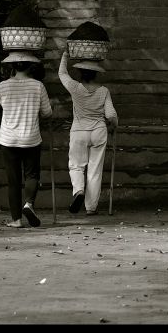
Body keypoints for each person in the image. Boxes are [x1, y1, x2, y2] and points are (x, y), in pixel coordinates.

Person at [0, 51, 52, 228]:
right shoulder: (38, 86)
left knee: (13, 180)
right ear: (31, 66)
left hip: (8, 139)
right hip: (31, 138)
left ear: (12, 66)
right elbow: (47, 113)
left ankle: (16, 220)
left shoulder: (3, 86)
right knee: (32, 174)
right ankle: (29, 204)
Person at [58, 50, 118, 216]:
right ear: (96, 74)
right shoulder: (103, 91)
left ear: (80, 73)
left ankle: (78, 190)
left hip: (79, 131)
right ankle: (91, 208)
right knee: (95, 170)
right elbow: (111, 115)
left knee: (76, 166)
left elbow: (62, 73)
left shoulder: (75, 87)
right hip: (99, 131)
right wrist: (115, 124)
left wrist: (65, 55)